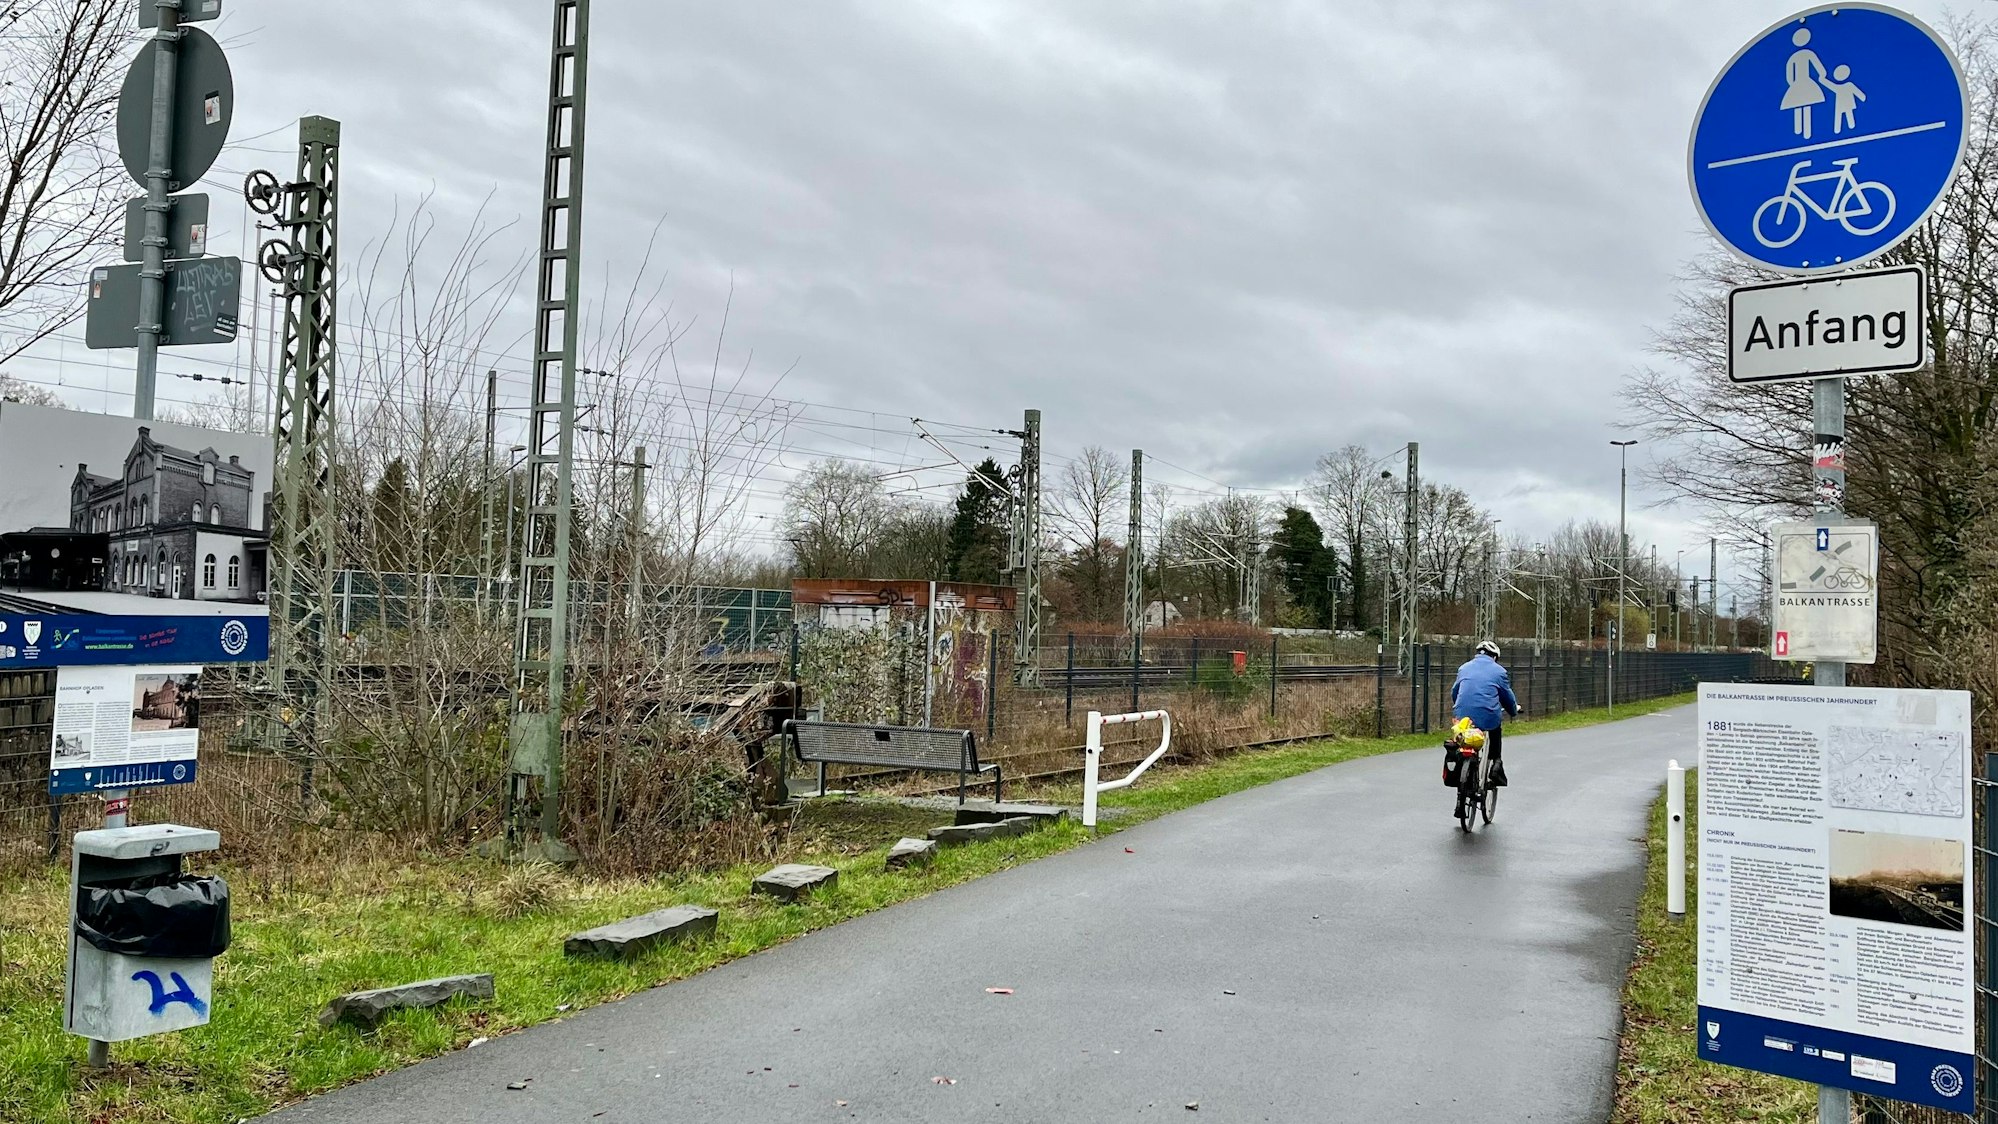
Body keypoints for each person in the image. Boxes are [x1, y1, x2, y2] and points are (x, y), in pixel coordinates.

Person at [1451, 641, 1519, 797]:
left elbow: (1455, 692)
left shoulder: (1463, 668)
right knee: (1495, 729)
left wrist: (1460, 709)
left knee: (1462, 738)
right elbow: (1507, 698)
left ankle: (1461, 771)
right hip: (1488, 717)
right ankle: (1496, 763)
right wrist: (1514, 711)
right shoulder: (1499, 671)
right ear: (1495, 657)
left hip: (1463, 716)